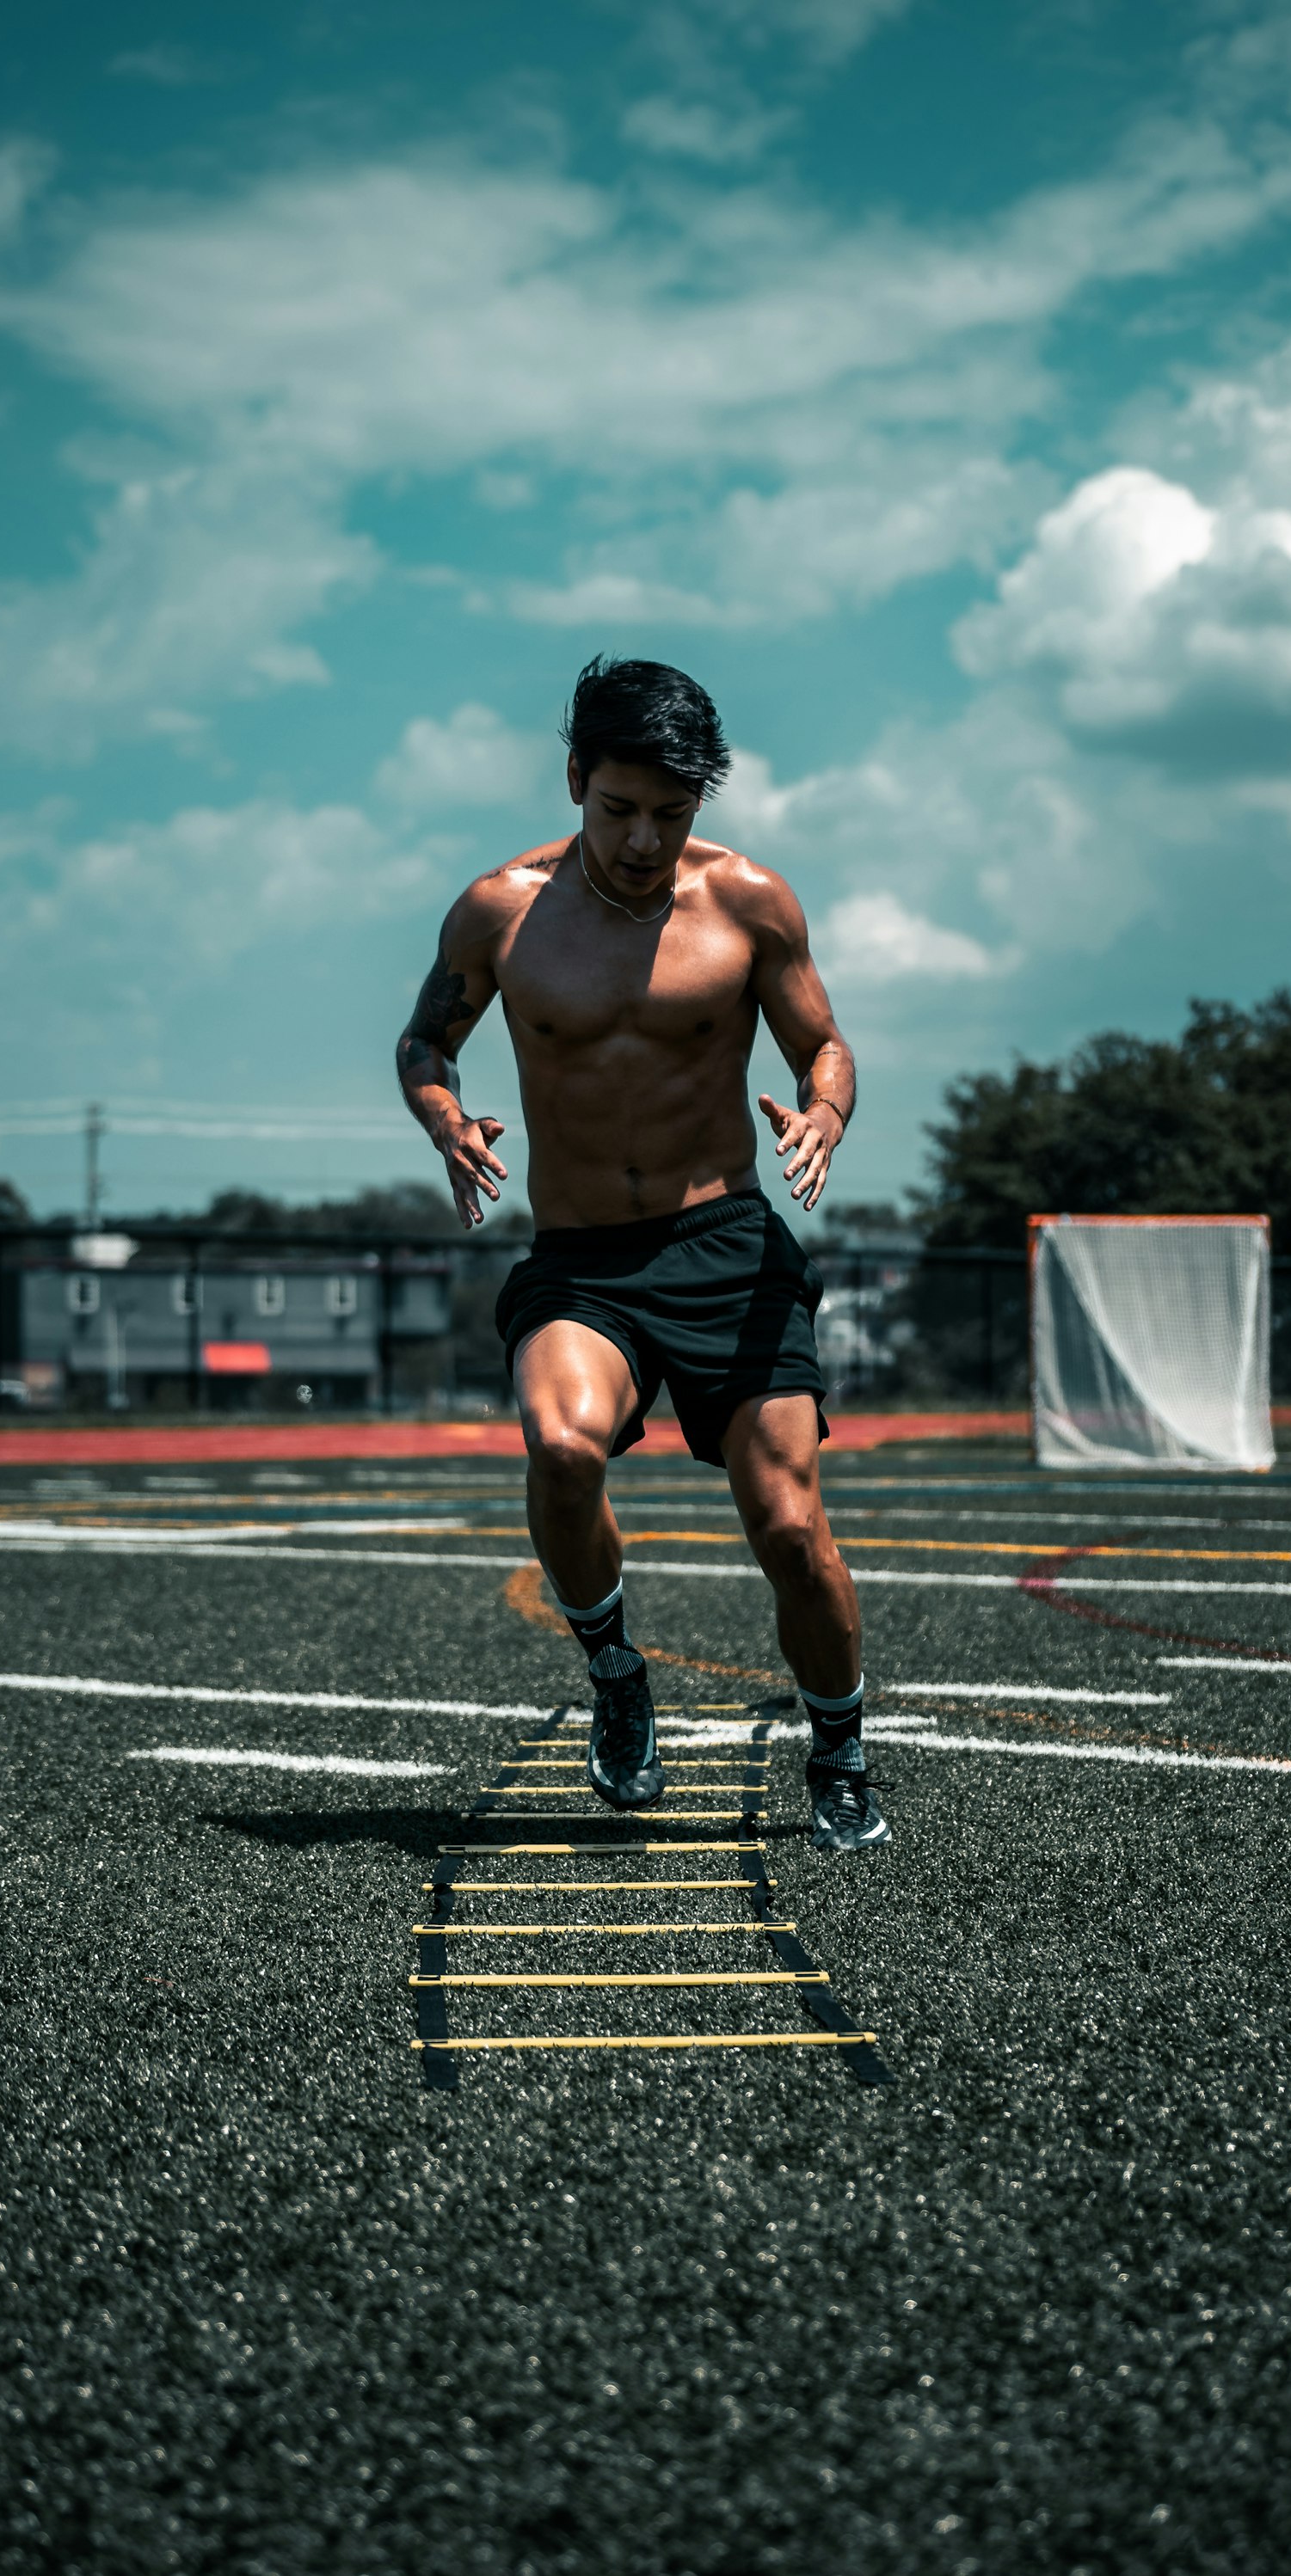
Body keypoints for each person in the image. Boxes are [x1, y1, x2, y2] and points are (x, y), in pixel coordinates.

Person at [395, 655, 888, 1855]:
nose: (641, 841)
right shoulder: (498, 909)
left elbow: (825, 1049)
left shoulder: (752, 903)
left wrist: (822, 1116)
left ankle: (840, 1750)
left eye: (671, 816)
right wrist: (446, 1121)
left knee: (787, 1529)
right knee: (561, 1446)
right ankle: (616, 1674)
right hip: (579, 1257)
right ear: (576, 782)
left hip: (726, 1244)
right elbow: (425, 1038)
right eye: (618, 810)